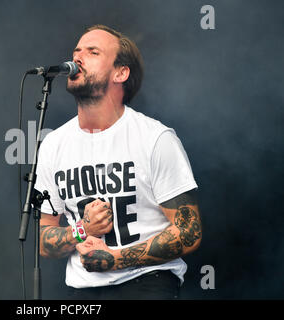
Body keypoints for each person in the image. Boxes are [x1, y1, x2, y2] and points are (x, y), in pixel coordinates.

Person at [34, 24, 201, 300]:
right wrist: (82, 230)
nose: (77, 58)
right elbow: (43, 240)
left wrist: (116, 259)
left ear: (120, 72)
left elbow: (188, 231)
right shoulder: (54, 144)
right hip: (83, 290)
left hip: (146, 283)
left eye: (93, 52)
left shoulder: (155, 139)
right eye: (76, 51)